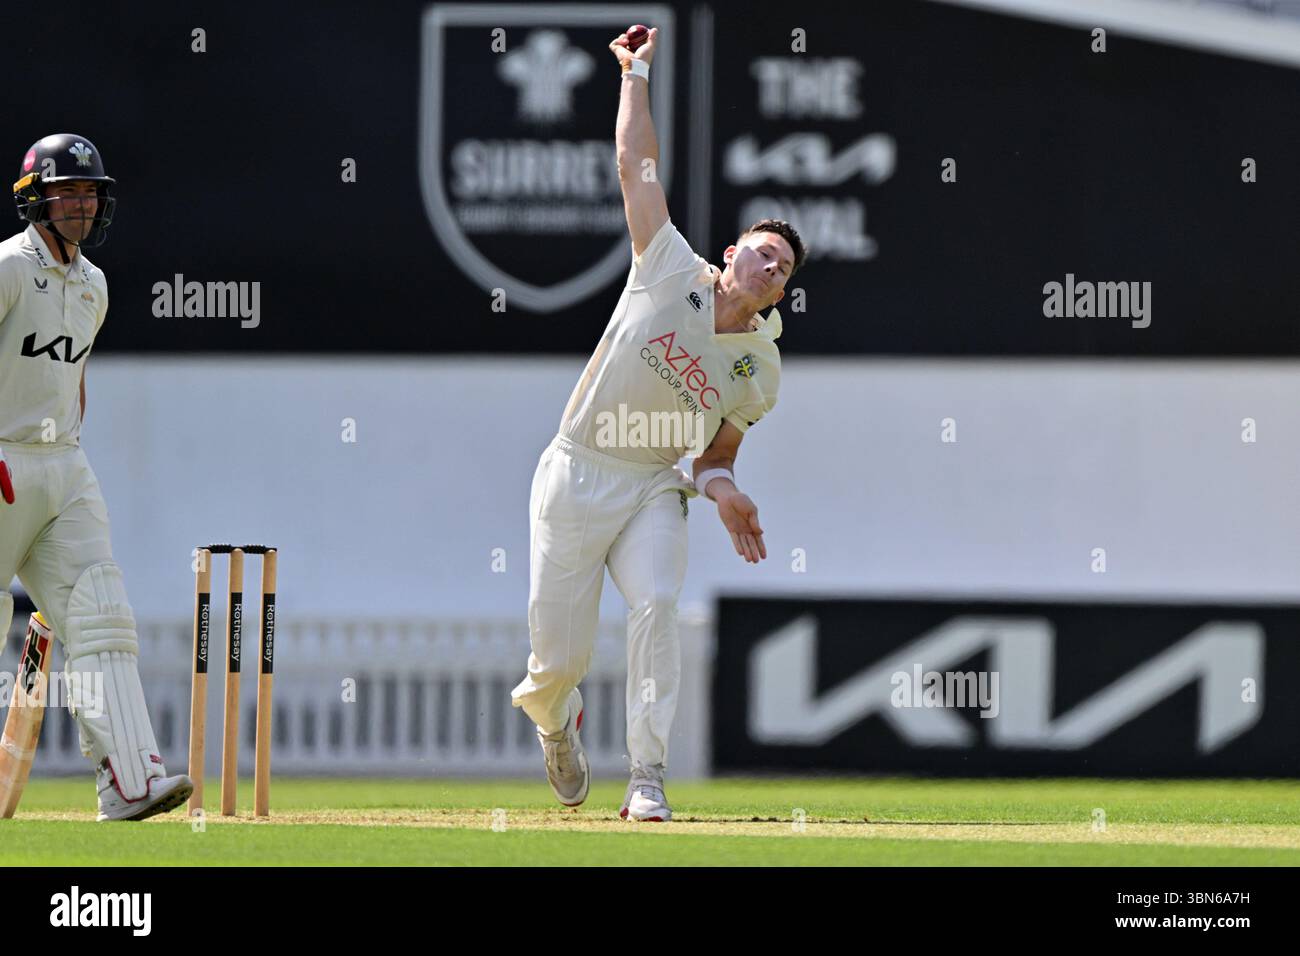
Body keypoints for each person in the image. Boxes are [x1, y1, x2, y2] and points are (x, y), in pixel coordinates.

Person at [510, 28, 808, 821]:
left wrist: (724, 491)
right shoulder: (667, 262)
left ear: (778, 297)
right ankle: (556, 720)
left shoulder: (761, 370)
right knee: (557, 661)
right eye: (763, 252)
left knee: (657, 607)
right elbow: (633, 165)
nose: (772, 267)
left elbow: (715, 455)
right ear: (729, 252)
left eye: (783, 270)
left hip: (652, 486)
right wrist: (635, 74)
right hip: (577, 469)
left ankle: (647, 775)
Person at [0, 133, 193, 820]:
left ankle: (128, 779)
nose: (82, 205)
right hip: (0, 460)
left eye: (90, 193)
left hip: (64, 467)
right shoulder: (7, 270)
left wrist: (70, 456)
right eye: (68, 193)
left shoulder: (94, 286)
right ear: (35, 201)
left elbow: (72, 381)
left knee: (101, 613)